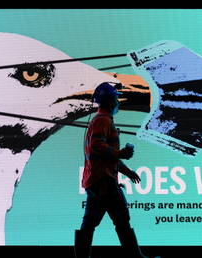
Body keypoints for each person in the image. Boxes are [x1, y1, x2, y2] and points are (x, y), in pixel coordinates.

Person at [74, 82, 150, 258]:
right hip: (104, 181)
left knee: (89, 222)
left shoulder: (100, 120)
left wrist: (127, 171)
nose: (118, 101)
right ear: (109, 101)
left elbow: (108, 156)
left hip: (95, 181)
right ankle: (136, 257)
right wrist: (121, 153)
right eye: (116, 97)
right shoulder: (103, 120)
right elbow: (97, 146)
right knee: (122, 220)